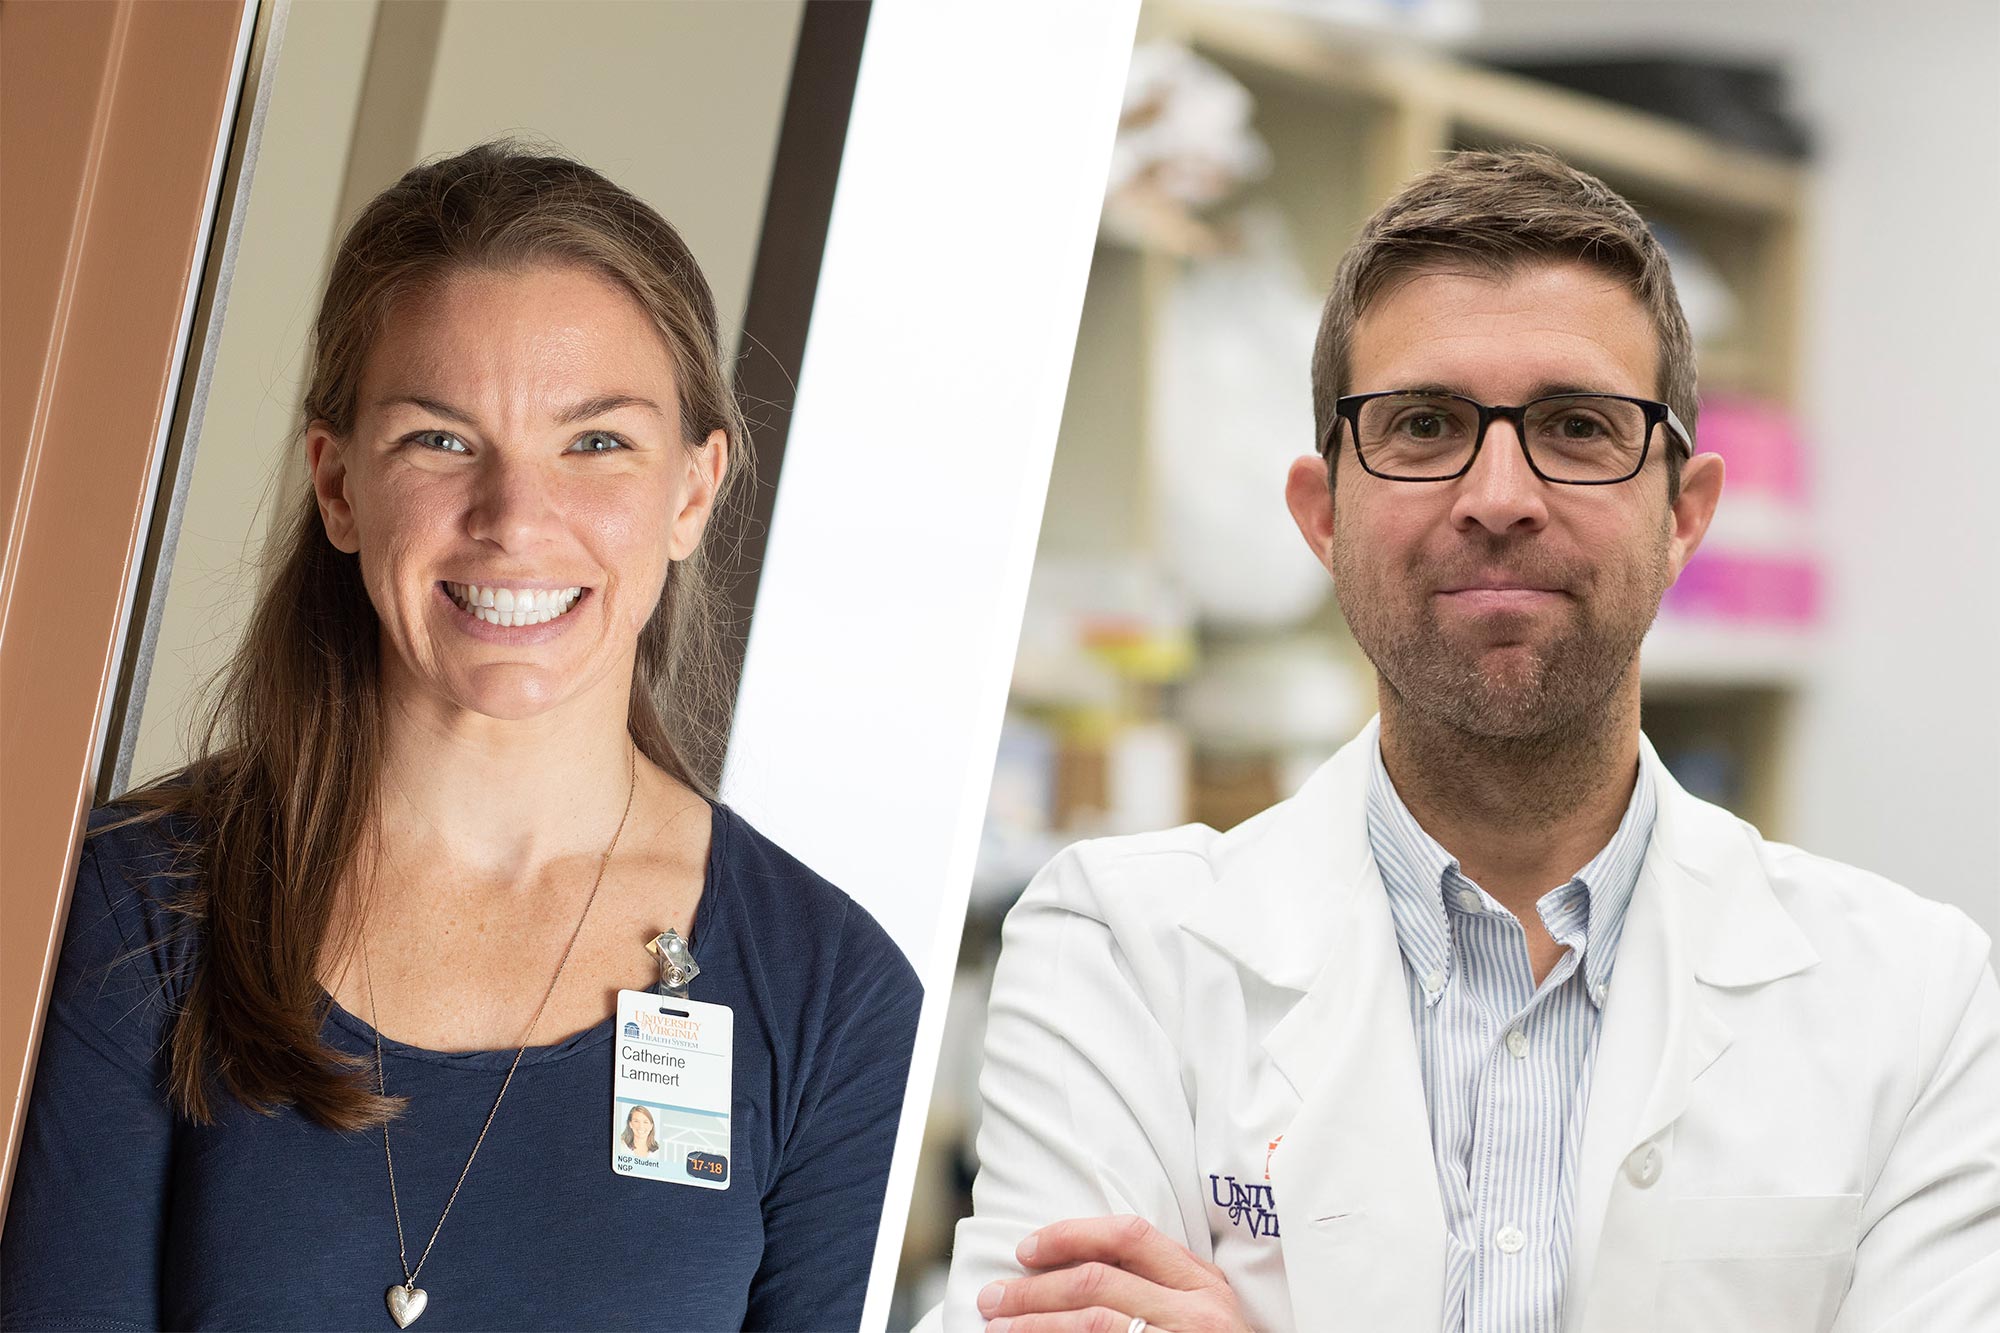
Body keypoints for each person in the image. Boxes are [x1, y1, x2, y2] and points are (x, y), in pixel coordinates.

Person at [941, 150, 2000, 1333]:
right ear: (1321, 512)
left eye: (1576, 425)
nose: (1498, 493)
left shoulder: (1917, 998)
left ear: (1683, 515)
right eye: (1424, 423)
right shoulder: (1117, 953)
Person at [0, 139, 921, 1332]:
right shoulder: (137, 904)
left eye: (595, 443)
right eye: (440, 439)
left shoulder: (832, 997)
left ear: (691, 493)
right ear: (337, 485)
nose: (514, 521)